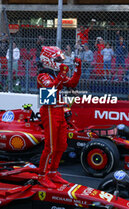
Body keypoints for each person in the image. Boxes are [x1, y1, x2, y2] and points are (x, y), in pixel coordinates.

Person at [37, 46, 82, 188]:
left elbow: (72, 83)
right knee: (50, 147)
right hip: (49, 111)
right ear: (48, 60)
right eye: (57, 59)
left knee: (62, 145)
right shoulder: (42, 76)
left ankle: (52, 172)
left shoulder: (56, 75)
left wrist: (78, 68)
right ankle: (41, 175)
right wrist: (62, 75)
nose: (60, 62)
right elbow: (50, 89)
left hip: (59, 111)